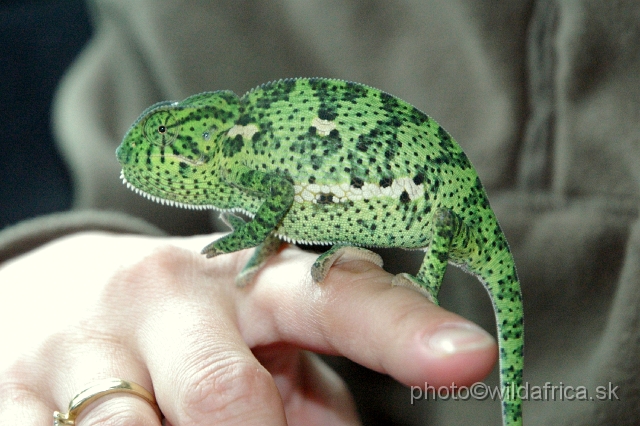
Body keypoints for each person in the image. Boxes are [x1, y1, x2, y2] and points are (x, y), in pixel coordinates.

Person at [2, 1, 640, 424]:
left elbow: (278, 199)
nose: (158, 159)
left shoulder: (245, 158)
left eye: (170, 146)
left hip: (430, 204)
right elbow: (144, 253)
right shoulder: (172, 44)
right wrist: (50, 269)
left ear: (204, 144)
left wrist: (258, 234)